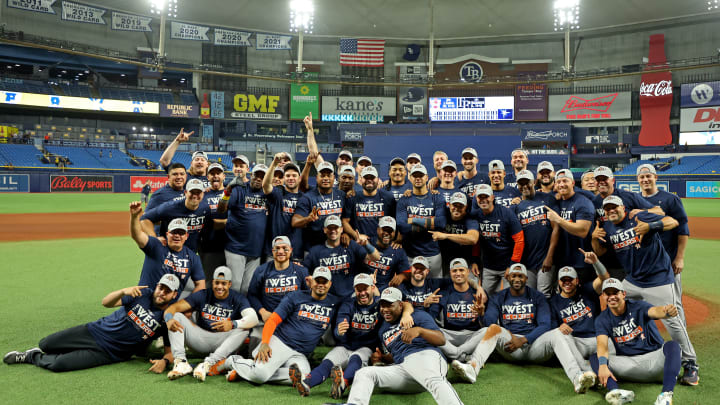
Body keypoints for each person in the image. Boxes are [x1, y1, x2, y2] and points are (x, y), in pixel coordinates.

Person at [592, 195, 698, 385]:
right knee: (612, 303)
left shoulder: (638, 217)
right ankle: (614, 350)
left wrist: (650, 226)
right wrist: (594, 239)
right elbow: (600, 252)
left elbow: (672, 221)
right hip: (633, 281)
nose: (611, 211)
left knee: (672, 321)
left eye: (614, 208)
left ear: (623, 208)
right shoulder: (606, 226)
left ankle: (690, 363)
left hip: (658, 279)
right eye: (607, 209)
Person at [3, 274, 180, 373]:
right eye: (161, 287)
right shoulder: (142, 294)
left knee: (59, 365)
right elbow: (106, 303)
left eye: (167, 291)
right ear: (156, 286)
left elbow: (170, 352)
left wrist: (164, 362)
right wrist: (122, 291)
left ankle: (30, 356)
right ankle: (39, 349)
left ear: (174, 295)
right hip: (93, 331)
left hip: (109, 353)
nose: (162, 293)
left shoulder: (168, 318)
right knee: (46, 344)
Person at [471, 264, 598, 394]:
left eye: (520, 276)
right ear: (508, 277)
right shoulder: (498, 297)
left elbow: (545, 325)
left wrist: (524, 340)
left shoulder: (538, 296)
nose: (517, 279)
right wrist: (482, 314)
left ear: (526, 278)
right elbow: (490, 323)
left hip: (534, 346)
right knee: (492, 328)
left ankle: (577, 378)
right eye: (514, 276)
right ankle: (472, 367)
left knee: (557, 333)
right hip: (511, 345)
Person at [290, 273, 413, 399]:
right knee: (327, 362)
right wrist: (339, 330)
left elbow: (405, 304)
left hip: (366, 347)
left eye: (365, 288)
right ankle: (306, 384)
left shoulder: (380, 304)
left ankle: (343, 384)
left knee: (356, 358)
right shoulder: (348, 304)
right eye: (359, 289)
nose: (362, 292)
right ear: (354, 290)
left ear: (372, 288)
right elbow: (340, 324)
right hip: (345, 345)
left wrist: (406, 315)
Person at [341, 287, 465, 405]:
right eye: (382, 305)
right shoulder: (382, 330)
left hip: (424, 356)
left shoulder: (417, 315)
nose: (385, 309)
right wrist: (382, 358)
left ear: (400, 305)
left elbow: (441, 339)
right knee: (364, 373)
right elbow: (395, 356)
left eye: (389, 305)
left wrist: (420, 331)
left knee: (434, 380)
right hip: (404, 370)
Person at [222, 267, 340, 387]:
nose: (320, 285)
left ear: (330, 284)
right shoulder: (295, 297)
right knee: (259, 376)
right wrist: (265, 342)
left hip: (300, 353)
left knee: (304, 377)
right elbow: (273, 320)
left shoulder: (335, 303)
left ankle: (247, 372)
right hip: (280, 342)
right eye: (317, 281)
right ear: (311, 282)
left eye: (324, 281)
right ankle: (233, 361)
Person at [589, 278, 683, 405]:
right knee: (596, 358)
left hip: (655, 363)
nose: (612, 297)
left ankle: (665, 396)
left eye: (615, 293)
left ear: (623, 294)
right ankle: (616, 393)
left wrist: (666, 312)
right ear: (603, 296)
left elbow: (655, 311)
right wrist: (603, 365)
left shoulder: (639, 306)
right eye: (608, 294)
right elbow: (602, 345)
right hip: (630, 365)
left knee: (672, 346)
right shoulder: (602, 319)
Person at [163, 266, 258, 381]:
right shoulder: (203, 294)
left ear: (229, 284)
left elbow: (253, 318)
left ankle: (207, 364)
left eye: (223, 284)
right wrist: (168, 319)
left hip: (222, 342)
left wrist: (233, 324)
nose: (219, 287)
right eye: (217, 283)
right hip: (200, 338)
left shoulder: (237, 298)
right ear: (212, 282)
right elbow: (173, 307)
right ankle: (181, 362)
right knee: (177, 316)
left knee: (244, 329)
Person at [431, 258, 489, 384]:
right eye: (454, 271)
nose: (458, 273)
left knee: (488, 330)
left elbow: (486, 322)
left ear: (468, 272)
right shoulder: (444, 293)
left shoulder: (478, 294)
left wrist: (482, 314)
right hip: (449, 335)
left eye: (461, 270)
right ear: (450, 273)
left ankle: (454, 355)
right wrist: (426, 305)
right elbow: (430, 317)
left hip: (470, 336)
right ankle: (463, 357)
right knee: (430, 331)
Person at [247, 236, 310, 349]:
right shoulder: (261, 270)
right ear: (272, 252)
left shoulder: (301, 271)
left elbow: (308, 297)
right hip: (268, 319)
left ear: (290, 250)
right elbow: (252, 295)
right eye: (277, 248)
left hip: (292, 320)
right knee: (255, 346)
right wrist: (262, 312)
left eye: (284, 248)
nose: (281, 251)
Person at [130, 202, 205, 295]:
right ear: (167, 234)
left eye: (181, 233)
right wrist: (134, 217)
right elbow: (137, 235)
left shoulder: (193, 258)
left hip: (169, 306)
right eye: (174, 232)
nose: (177, 236)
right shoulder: (155, 245)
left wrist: (188, 304)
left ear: (186, 236)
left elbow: (201, 285)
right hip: (144, 299)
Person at [636, 164, 689, 296]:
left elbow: (683, 229)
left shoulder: (671, 199)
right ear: (637, 179)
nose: (645, 180)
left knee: (674, 300)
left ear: (656, 177)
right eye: (642, 177)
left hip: (668, 260)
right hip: (642, 262)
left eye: (649, 176)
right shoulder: (634, 200)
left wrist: (679, 258)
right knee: (641, 302)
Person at [218, 164, 271, 295]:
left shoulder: (268, 194)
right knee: (235, 286)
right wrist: (228, 190)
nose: (258, 179)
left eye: (262, 177)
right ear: (250, 175)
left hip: (255, 250)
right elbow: (221, 209)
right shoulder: (240, 189)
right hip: (236, 248)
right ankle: (231, 313)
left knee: (248, 288)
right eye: (256, 175)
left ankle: (242, 313)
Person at [303, 215, 381, 299]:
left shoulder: (351, 245)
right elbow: (303, 270)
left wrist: (366, 245)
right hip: (327, 298)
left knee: (375, 292)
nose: (333, 231)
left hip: (351, 296)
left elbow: (376, 258)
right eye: (330, 228)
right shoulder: (316, 251)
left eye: (336, 228)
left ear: (341, 229)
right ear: (325, 230)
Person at [470, 184, 524, 296]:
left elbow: (519, 240)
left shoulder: (506, 213)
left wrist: (513, 265)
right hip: (488, 267)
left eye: (486, 196)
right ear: (476, 199)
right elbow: (476, 240)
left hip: (507, 265)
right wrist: (475, 260)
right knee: (484, 297)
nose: (483, 200)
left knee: (508, 298)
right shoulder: (476, 215)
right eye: (480, 197)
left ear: (493, 197)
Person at [511, 170, 559, 295]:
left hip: (545, 258)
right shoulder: (516, 206)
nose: (524, 186)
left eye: (527, 182)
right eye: (521, 183)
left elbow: (556, 228)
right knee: (530, 295)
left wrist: (550, 256)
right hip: (527, 261)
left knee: (544, 294)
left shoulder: (547, 198)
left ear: (534, 182)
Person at [396, 164, 447, 277]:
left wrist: (413, 219)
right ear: (410, 177)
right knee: (412, 289)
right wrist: (430, 223)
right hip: (410, 254)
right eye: (415, 175)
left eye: (421, 175)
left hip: (432, 254)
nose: (418, 178)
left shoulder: (437, 197)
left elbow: (441, 223)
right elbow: (402, 226)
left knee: (435, 287)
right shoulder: (404, 200)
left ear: (426, 177)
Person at [544, 169, 594, 282]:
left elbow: (582, 231)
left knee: (582, 296)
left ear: (572, 183)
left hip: (582, 262)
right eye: (559, 182)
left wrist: (559, 219)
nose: (562, 184)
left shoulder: (583, 202)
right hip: (562, 261)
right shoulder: (557, 201)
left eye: (565, 181)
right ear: (555, 185)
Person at [140, 178, 213, 253]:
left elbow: (206, 229)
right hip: (168, 252)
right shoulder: (170, 207)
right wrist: (154, 239)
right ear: (185, 192)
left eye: (198, 192)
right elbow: (144, 218)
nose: (195, 196)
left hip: (191, 253)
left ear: (203, 194)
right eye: (192, 192)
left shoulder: (205, 208)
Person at [263, 153, 309, 261]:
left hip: (296, 251)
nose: (291, 178)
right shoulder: (278, 192)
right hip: (275, 251)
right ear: (284, 178)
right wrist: (274, 164)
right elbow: (265, 186)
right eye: (288, 176)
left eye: (294, 176)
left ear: (299, 178)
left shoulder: (305, 198)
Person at [292, 161, 346, 249]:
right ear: (317, 178)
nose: (325, 178)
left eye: (329, 175)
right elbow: (294, 222)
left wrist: (346, 234)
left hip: (336, 247)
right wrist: (308, 219)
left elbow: (346, 219)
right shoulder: (308, 197)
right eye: (322, 175)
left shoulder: (341, 195)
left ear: (334, 178)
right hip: (313, 248)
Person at [342, 166, 396, 246]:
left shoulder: (388, 197)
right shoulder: (352, 197)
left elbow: (396, 221)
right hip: (360, 244)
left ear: (378, 179)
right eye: (366, 177)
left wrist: (396, 240)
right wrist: (356, 235)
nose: (369, 180)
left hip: (382, 244)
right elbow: (344, 221)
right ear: (361, 179)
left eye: (372, 177)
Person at [429, 192, 479, 277]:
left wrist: (446, 235)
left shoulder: (470, 219)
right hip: (443, 261)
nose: (457, 208)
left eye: (461, 206)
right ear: (449, 205)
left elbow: (473, 239)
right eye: (454, 205)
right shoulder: (442, 216)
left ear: (466, 207)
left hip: (465, 261)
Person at [361, 216, 409, 292]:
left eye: (390, 231)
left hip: (384, 290)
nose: (386, 233)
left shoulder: (398, 250)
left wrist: (402, 276)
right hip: (363, 287)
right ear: (378, 230)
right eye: (384, 230)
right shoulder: (366, 243)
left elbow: (407, 273)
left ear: (394, 232)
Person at [199, 163, 229, 279]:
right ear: (208, 177)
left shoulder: (231, 193)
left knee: (227, 280)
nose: (215, 176)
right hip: (208, 246)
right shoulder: (202, 195)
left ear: (224, 176)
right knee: (209, 281)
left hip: (229, 245)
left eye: (218, 173)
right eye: (212, 174)